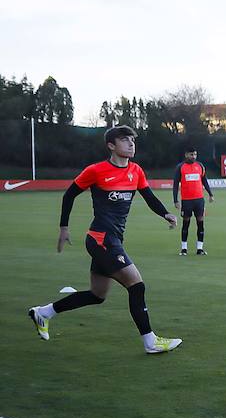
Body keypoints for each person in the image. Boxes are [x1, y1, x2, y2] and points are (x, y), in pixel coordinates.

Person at [27, 125, 183, 353]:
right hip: (101, 238)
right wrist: (64, 227)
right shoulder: (96, 170)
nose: (131, 144)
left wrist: (165, 214)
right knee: (136, 285)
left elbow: (149, 197)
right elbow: (69, 194)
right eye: (125, 140)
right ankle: (151, 341)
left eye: (132, 140)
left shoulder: (136, 171)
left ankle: (43, 312)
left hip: (112, 239)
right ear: (111, 145)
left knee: (97, 295)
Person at [171, 145, 215, 255]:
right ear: (186, 155)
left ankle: (199, 249)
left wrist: (210, 194)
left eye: (195, 154)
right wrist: (175, 200)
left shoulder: (200, 166)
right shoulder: (180, 167)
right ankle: (184, 249)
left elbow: (204, 181)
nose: (194, 156)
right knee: (186, 224)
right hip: (187, 201)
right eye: (191, 154)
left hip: (199, 200)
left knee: (200, 223)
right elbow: (176, 184)